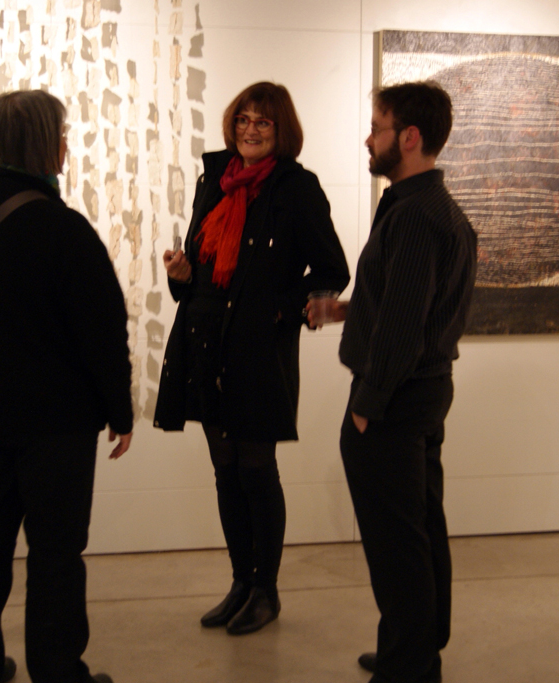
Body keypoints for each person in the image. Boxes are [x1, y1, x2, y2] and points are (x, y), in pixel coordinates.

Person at [0, 89, 132, 683]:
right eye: (62, 135)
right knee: (55, 552)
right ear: (45, 144)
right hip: (56, 425)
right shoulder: (64, 229)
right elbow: (102, 330)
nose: (67, 146)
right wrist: (119, 409)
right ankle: (57, 669)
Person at [153, 81, 349, 635]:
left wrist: (281, 313)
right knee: (224, 469)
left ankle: (267, 589)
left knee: (256, 468)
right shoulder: (213, 181)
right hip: (205, 340)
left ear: (281, 129)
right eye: (243, 119)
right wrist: (183, 273)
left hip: (259, 349)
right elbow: (200, 259)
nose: (251, 129)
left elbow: (333, 270)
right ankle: (241, 579)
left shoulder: (297, 188)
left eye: (263, 121)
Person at [312, 82, 477, 682]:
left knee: (395, 540)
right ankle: (416, 644)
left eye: (377, 126)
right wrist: (345, 310)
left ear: (408, 137)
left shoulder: (415, 216)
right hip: (423, 393)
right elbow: (411, 305)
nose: (368, 136)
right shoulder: (433, 209)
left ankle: (410, 665)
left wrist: (367, 405)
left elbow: (404, 328)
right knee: (418, 523)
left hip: (395, 400)